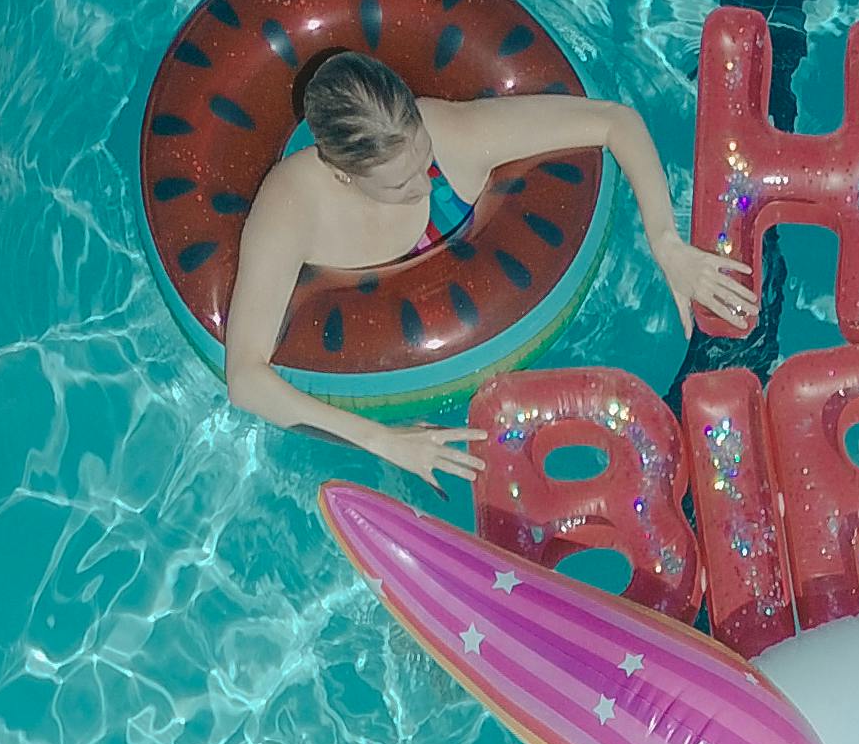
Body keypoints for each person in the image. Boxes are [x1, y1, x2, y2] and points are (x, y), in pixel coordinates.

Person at [223, 51, 756, 487]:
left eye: (421, 157)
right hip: (398, 399)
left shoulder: (453, 137)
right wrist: (384, 440)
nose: (421, 185)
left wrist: (666, 242)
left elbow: (615, 121)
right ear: (340, 173)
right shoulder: (292, 209)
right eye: (397, 184)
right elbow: (246, 378)